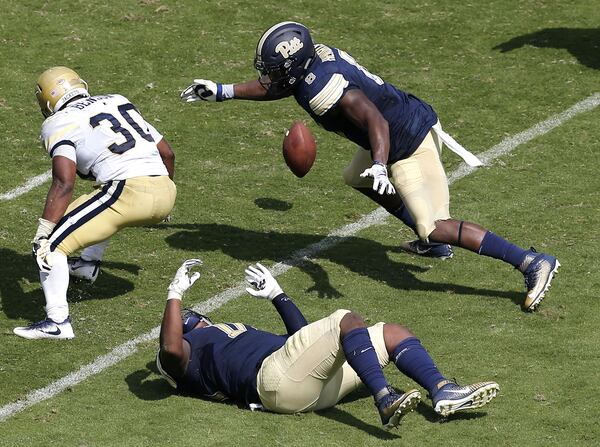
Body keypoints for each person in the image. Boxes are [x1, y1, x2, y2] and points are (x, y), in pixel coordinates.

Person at [180, 21, 559, 311]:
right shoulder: (312, 64)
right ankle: (434, 247)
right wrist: (223, 91)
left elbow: (375, 119)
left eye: (274, 70)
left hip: (406, 144)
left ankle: (530, 261)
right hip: (396, 130)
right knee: (354, 177)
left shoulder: (324, 87)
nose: (269, 77)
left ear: (295, 67)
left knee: (435, 225)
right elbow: (283, 84)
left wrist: (381, 164)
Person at [157, 259, 499, 429]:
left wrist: (278, 296)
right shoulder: (191, 350)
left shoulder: (220, 343)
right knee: (346, 319)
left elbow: (301, 341)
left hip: (300, 385)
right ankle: (385, 399)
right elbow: (171, 349)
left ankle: (441, 389)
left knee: (391, 333)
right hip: (271, 383)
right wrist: (174, 293)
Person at [13, 66, 177, 340]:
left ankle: (57, 322)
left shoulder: (58, 121)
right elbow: (167, 153)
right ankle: (88, 264)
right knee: (97, 201)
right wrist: (163, 192)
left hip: (128, 192)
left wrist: (44, 228)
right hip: (165, 190)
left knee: (50, 247)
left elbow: (64, 181)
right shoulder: (118, 100)